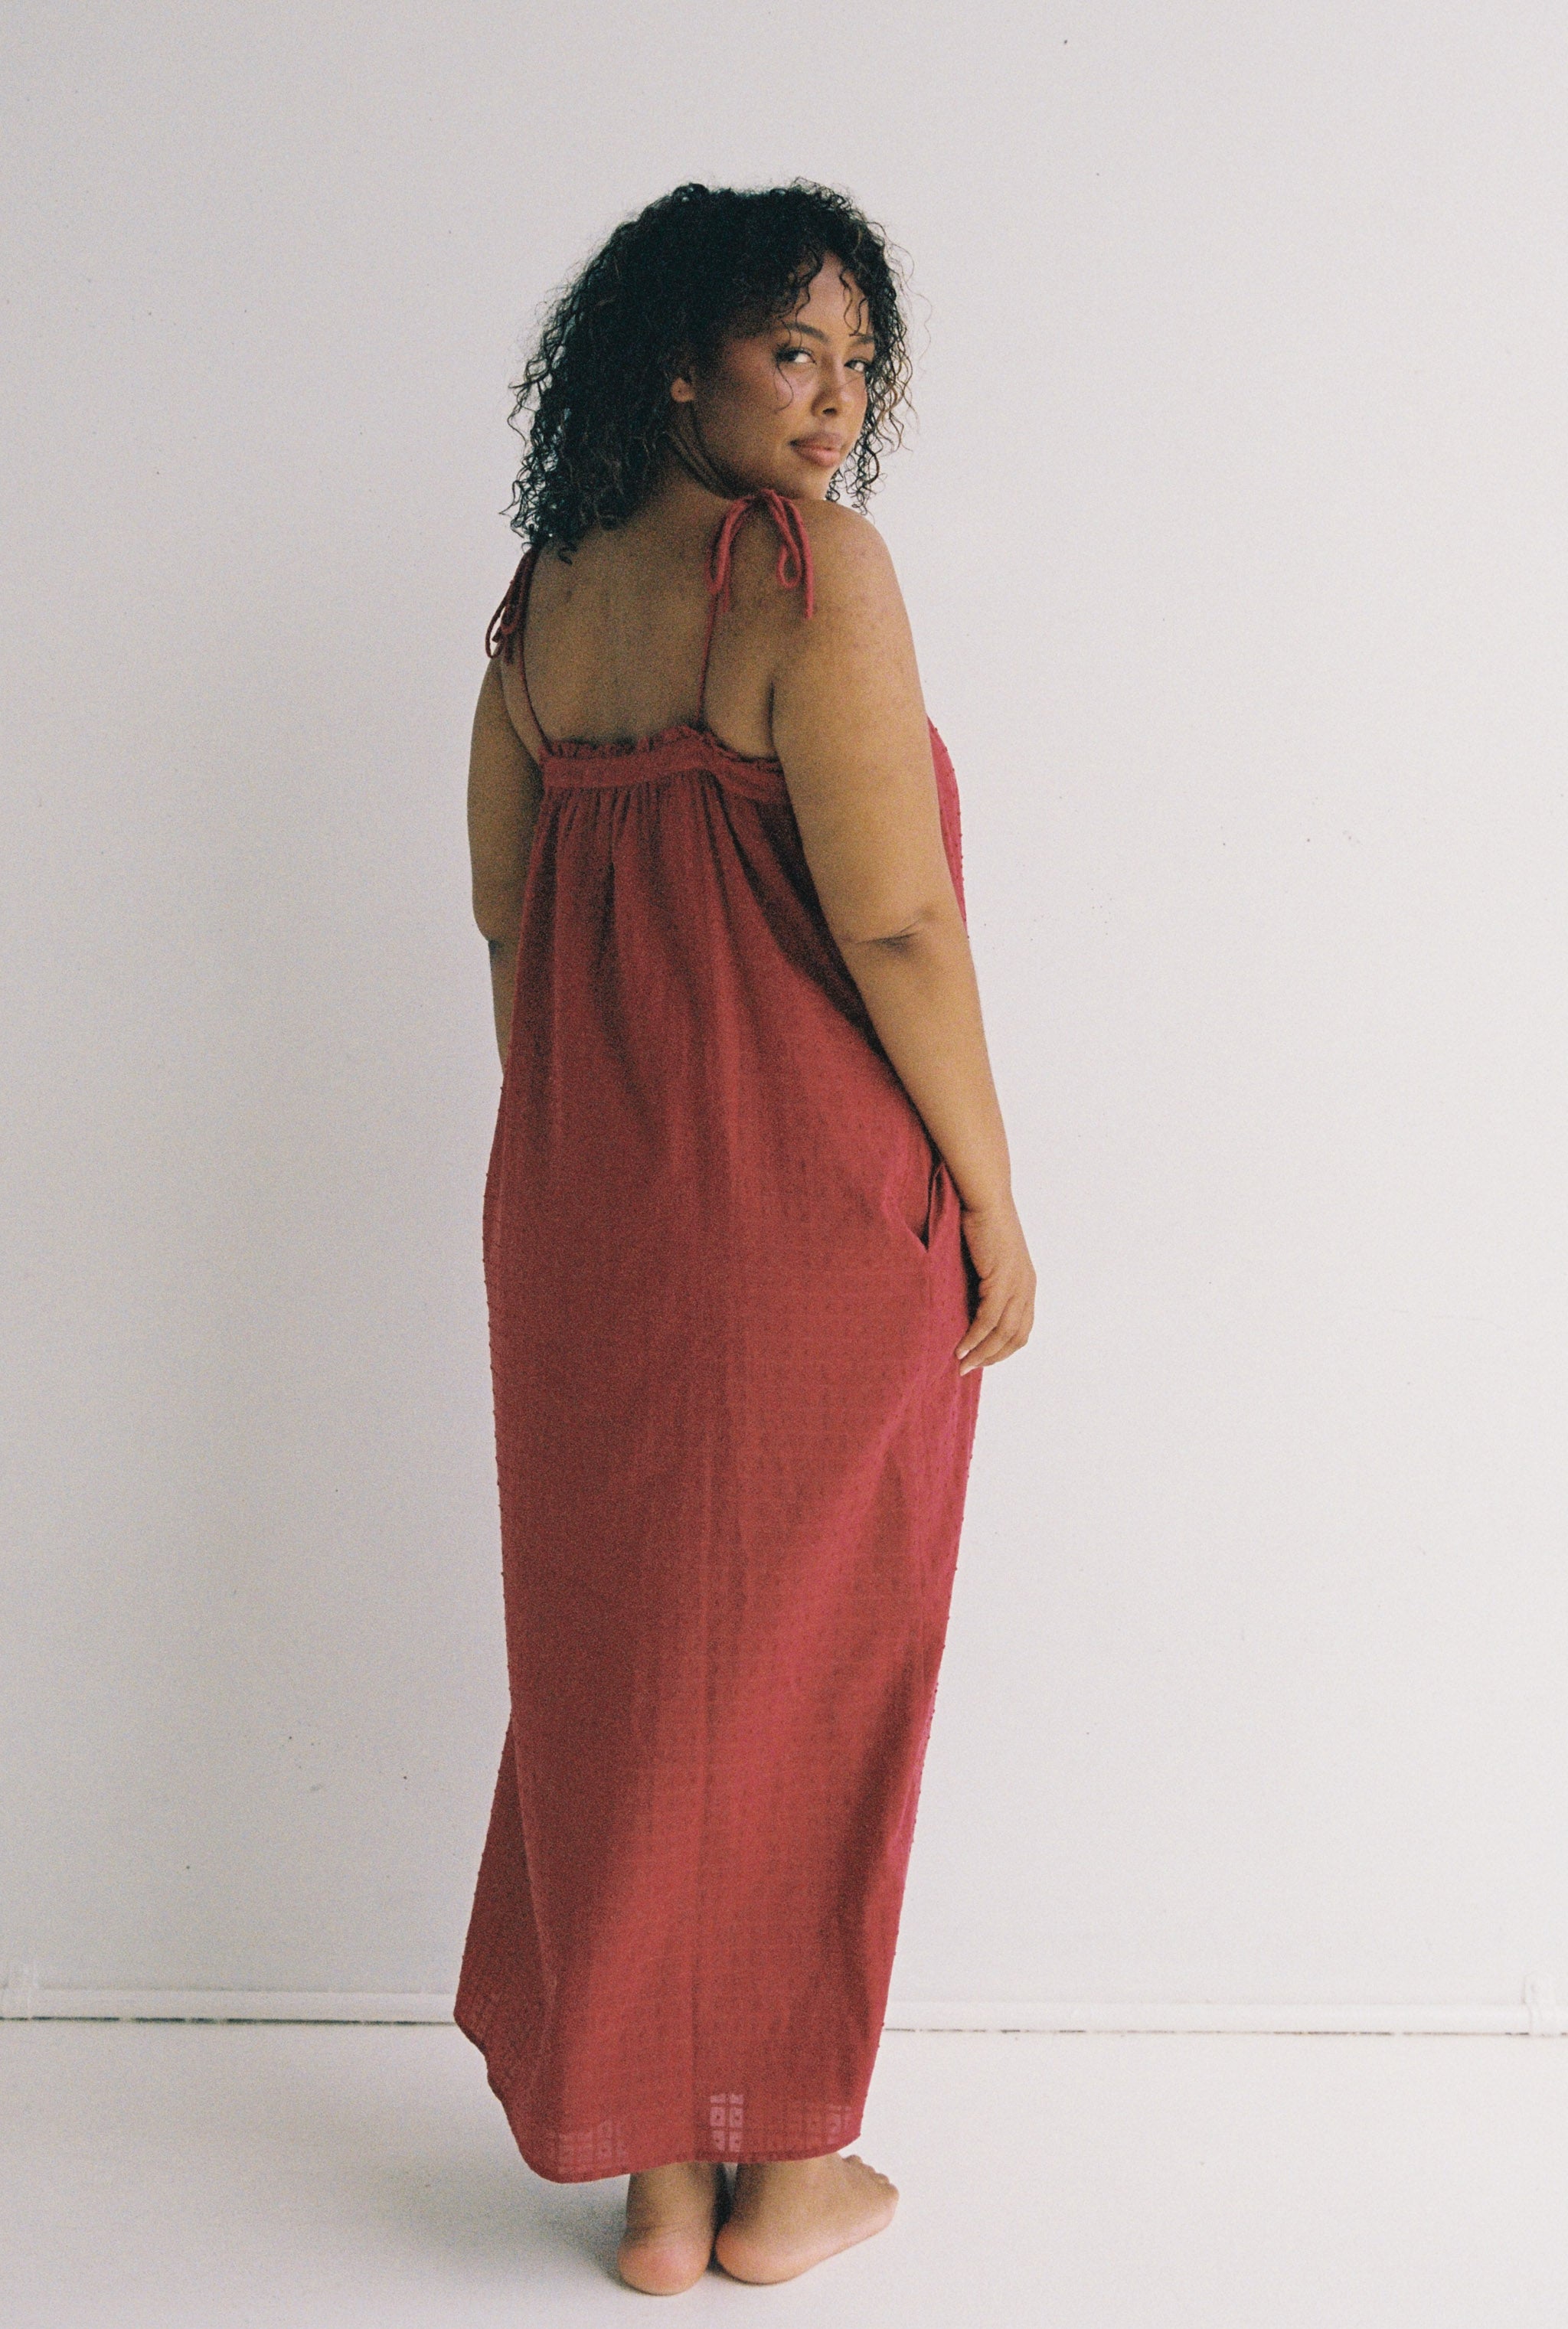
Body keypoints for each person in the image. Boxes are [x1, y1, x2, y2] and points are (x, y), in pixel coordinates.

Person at [457, 180, 1034, 2295]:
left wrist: (593, 1127)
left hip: (587, 1213)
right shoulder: (809, 576)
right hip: (802, 1206)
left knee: (632, 1660)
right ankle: (785, 2165)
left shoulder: (550, 591)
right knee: (815, 1657)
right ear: (680, 355)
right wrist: (987, 1190)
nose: (835, 402)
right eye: (799, 351)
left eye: (859, 365)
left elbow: (511, 895)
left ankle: (654, 2184)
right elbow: (894, 913)